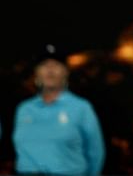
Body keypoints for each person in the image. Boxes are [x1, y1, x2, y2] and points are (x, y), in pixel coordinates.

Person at [12, 44, 105, 175]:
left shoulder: (81, 108)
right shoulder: (24, 109)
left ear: (66, 72)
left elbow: (95, 153)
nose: (50, 70)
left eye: (56, 65)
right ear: (36, 72)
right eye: (44, 65)